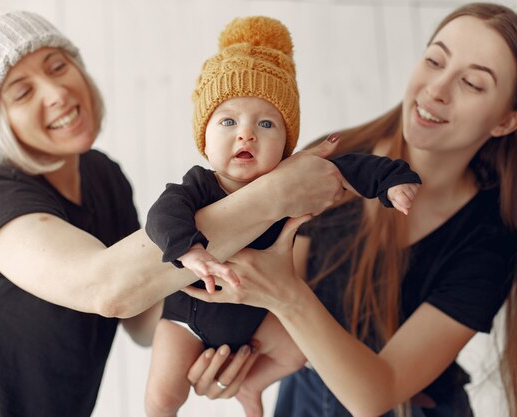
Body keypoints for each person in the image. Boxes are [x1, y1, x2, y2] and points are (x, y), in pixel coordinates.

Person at [0, 2, 349, 416]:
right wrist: (273, 194)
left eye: (57, 66)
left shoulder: (101, 177)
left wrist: (218, 333)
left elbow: (143, 309)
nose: (56, 93)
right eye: (23, 92)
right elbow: (108, 290)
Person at [182, 2, 517, 417]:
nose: (436, 89)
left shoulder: (488, 241)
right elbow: (269, 290)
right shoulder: (330, 163)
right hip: (307, 398)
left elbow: (377, 393)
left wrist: (289, 298)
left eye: (472, 84)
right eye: (434, 60)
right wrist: (229, 362)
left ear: (507, 122)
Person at [144, 16, 421, 417]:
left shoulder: (292, 182)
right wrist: (189, 251)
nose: (246, 134)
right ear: (204, 137)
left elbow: (351, 167)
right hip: (190, 315)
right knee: (164, 394)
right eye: (228, 121)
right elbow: (161, 215)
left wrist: (393, 182)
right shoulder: (199, 186)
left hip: (257, 318)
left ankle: (251, 388)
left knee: (295, 353)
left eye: (266, 123)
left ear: (287, 143)